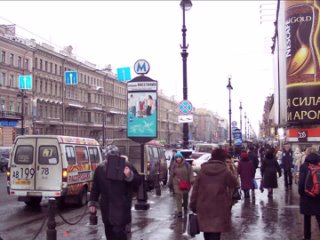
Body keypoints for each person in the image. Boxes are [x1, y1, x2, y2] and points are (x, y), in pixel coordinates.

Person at [88, 145, 140, 240]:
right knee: (110, 234)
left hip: (122, 210)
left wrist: (129, 175)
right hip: (107, 210)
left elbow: (138, 183)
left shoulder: (127, 165)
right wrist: (92, 202)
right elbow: (95, 187)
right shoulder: (100, 168)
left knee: (120, 235)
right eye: (109, 158)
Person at [190, 148, 238, 240]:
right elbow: (234, 183)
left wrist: (193, 204)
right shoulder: (225, 170)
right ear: (223, 158)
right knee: (216, 233)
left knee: (207, 231)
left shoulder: (203, 170)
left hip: (204, 205)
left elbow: (195, 189)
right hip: (219, 206)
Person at [298, 152, 320, 240]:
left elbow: (301, 182)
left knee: (307, 218)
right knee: (319, 216)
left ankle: (307, 237)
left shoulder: (304, 166)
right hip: (318, 196)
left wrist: (301, 193)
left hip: (307, 196)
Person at [168, 151, 194, 217]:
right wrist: (169, 183)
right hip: (176, 184)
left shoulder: (187, 165)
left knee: (185, 196)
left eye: (179, 157)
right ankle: (179, 211)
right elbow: (171, 175)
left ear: (182, 158)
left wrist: (192, 180)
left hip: (186, 183)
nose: (178, 159)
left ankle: (185, 207)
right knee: (178, 197)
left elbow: (191, 173)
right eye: (177, 157)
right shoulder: (173, 166)